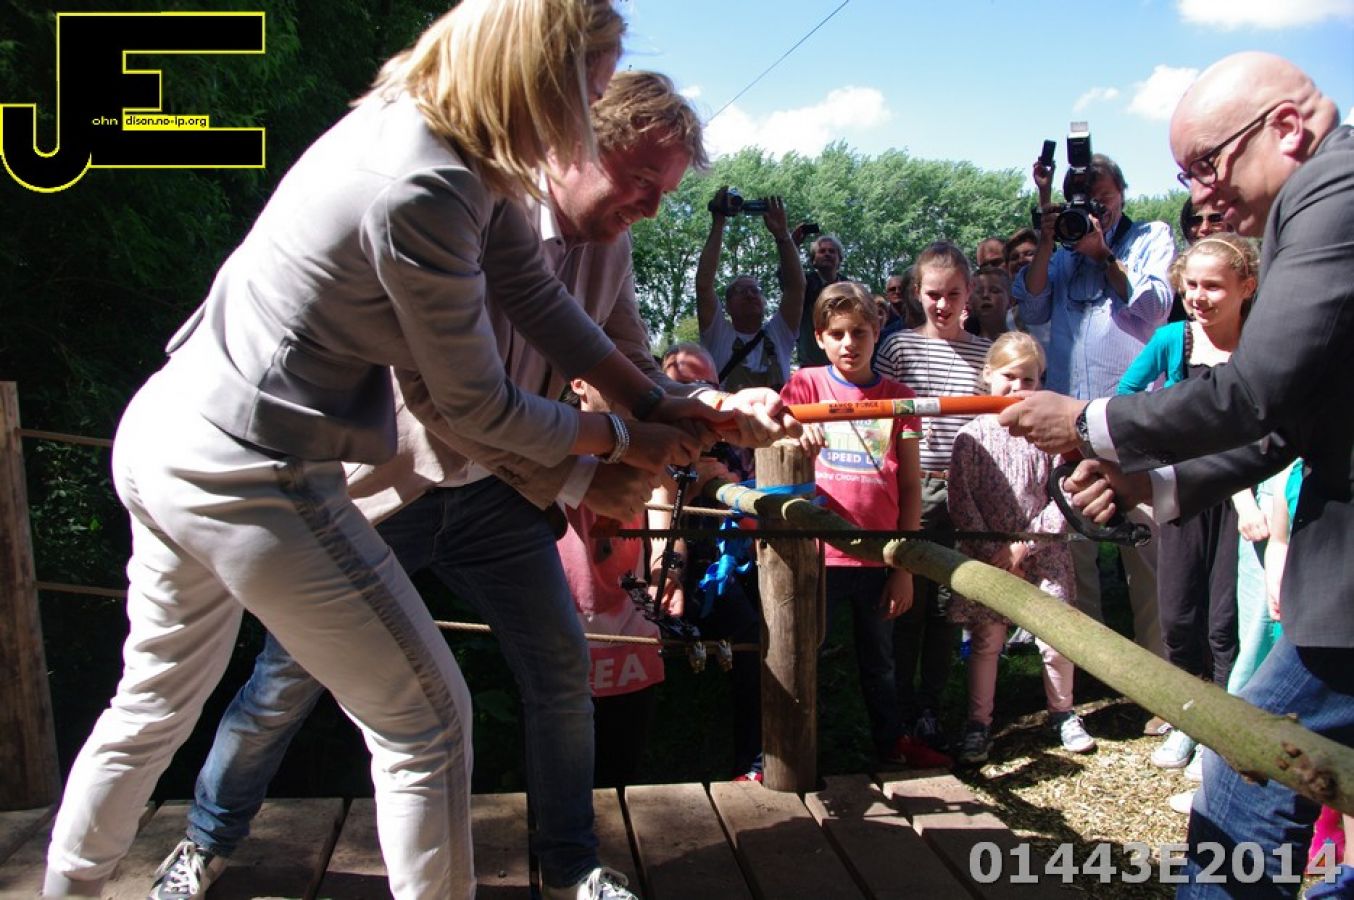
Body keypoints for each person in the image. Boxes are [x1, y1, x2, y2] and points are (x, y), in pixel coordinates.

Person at [38, 4, 723, 898]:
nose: (583, 117)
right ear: (538, 74)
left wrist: (659, 402)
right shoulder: (427, 186)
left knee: (152, 703)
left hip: (168, 432)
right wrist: (622, 440)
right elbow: (471, 404)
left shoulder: (432, 140)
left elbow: (534, 296)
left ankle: (69, 887)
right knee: (428, 722)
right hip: (251, 464)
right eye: (586, 93)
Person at [999, 51, 1351, 897]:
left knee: (1247, 779)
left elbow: (1259, 391)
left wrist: (1090, 422)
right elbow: (1294, 418)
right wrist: (1152, 486)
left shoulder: (1333, 194)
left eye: (1205, 165)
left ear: (1286, 128)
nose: (1199, 194)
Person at [1012, 147, 1174, 662]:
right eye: (1083, 201)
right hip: (1070, 427)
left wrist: (1103, 254)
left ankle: (1158, 676)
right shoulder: (1061, 251)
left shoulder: (1150, 237)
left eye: (1102, 198)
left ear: (1122, 194)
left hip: (1132, 427)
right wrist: (1047, 238)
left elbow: (1155, 309)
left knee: (1146, 554)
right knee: (1075, 556)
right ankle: (1092, 670)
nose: (1093, 210)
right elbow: (1032, 305)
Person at [781, 281, 947, 768]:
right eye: (837, 333)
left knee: (881, 661)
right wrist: (795, 427)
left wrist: (903, 566)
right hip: (818, 555)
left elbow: (911, 485)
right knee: (800, 654)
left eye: (859, 332)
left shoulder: (901, 398)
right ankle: (788, 750)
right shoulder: (806, 385)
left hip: (878, 554)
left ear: (877, 332)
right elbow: (774, 430)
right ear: (820, 337)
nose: (849, 343)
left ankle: (892, 744)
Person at [1116, 234, 1260, 774]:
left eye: (1213, 286)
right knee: (1178, 613)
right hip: (1184, 491)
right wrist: (1158, 452)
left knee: (1226, 620)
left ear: (1246, 287)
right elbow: (1125, 398)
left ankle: (1220, 729)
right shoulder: (1173, 339)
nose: (1198, 296)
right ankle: (1187, 717)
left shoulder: (1260, 343)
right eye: (1191, 285)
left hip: (1244, 498)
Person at [948, 332, 1092, 765]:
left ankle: (1063, 712)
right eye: (1009, 376)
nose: (1017, 387)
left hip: (1044, 552)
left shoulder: (1049, 438)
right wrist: (994, 551)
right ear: (989, 375)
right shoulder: (970, 437)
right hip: (988, 557)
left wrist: (1024, 547)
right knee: (987, 640)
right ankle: (979, 723)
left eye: (1028, 379)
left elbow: (1064, 496)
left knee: (1057, 636)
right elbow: (962, 501)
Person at [874, 241, 992, 751]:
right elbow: (879, 417)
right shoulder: (898, 348)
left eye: (953, 294)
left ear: (969, 292)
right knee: (909, 602)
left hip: (964, 489)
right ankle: (897, 708)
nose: (942, 305)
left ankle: (930, 706)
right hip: (914, 486)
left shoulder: (986, 354)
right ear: (917, 293)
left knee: (949, 605)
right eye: (933, 295)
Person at [696, 188, 806, 391]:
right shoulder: (717, 334)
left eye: (755, 291)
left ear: (764, 302)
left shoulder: (779, 334)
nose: (749, 294)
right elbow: (704, 285)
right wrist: (718, 224)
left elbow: (796, 288)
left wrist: (783, 234)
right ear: (727, 306)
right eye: (740, 291)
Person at [793, 232, 847, 367]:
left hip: (843, 361)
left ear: (839, 259)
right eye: (822, 251)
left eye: (832, 251)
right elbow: (787, 278)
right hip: (812, 363)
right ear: (813, 261)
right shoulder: (803, 284)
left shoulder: (850, 288)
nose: (827, 254)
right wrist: (793, 246)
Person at [963, 265, 1013, 341]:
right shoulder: (963, 342)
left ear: (1011, 300)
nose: (985, 295)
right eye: (979, 291)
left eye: (994, 291)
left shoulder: (1021, 343)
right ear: (969, 301)